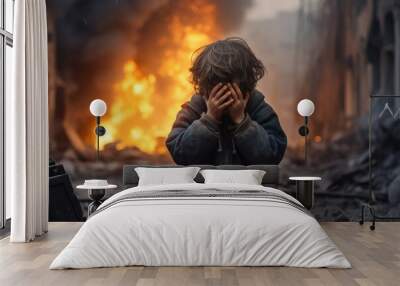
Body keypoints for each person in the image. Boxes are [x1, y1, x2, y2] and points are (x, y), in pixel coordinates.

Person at [166, 37, 287, 165]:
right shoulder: (195, 107)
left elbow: (272, 155)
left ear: (246, 85)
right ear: (205, 87)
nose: (224, 95)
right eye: (218, 88)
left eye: (230, 88)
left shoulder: (257, 108)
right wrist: (209, 119)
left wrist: (242, 122)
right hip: (204, 184)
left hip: (247, 184)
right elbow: (179, 153)